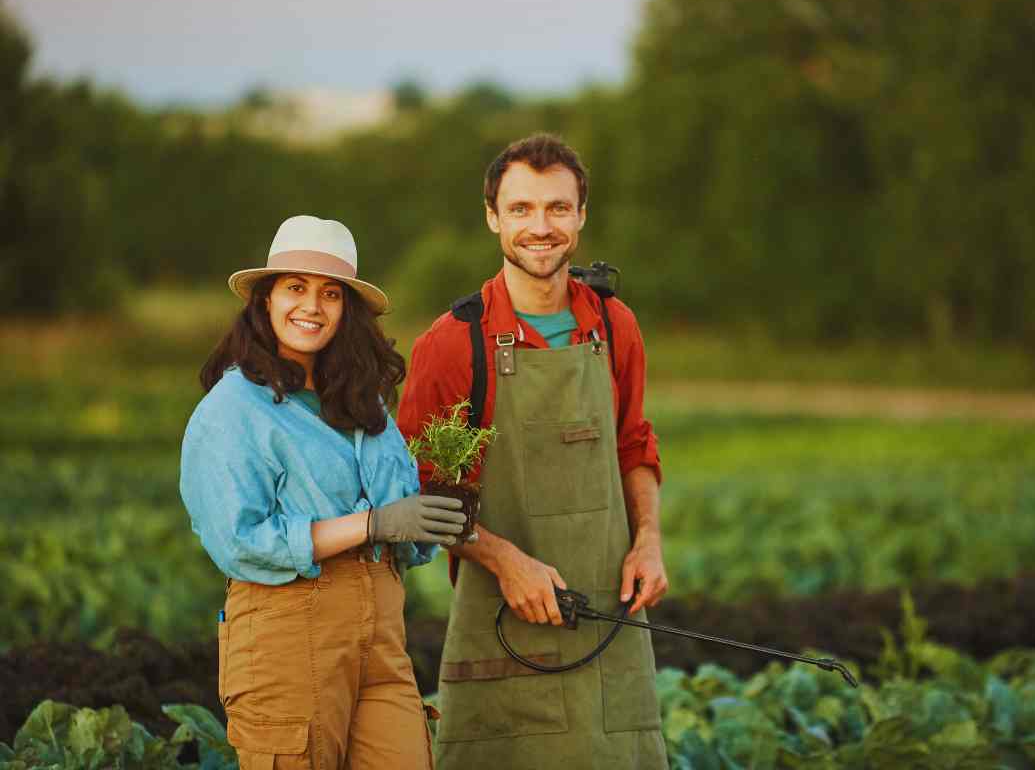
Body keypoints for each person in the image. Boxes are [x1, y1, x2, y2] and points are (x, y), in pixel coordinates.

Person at [397, 134, 669, 768]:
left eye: (556, 208)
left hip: (608, 614)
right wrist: (503, 558)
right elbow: (419, 491)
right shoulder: (451, 342)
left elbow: (634, 446)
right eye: (521, 209)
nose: (540, 228)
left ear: (580, 216)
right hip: (502, 622)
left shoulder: (614, 324)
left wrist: (648, 539)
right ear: (494, 217)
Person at [180, 215, 466, 770]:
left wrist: (435, 514)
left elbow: (405, 523)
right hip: (289, 630)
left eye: (330, 293)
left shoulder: (363, 404)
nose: (312, 306)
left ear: (346, 309)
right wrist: (372, 524)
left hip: (381, 634)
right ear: (265, 300)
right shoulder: (233, 410)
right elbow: (239, 540)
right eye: (295, 287)